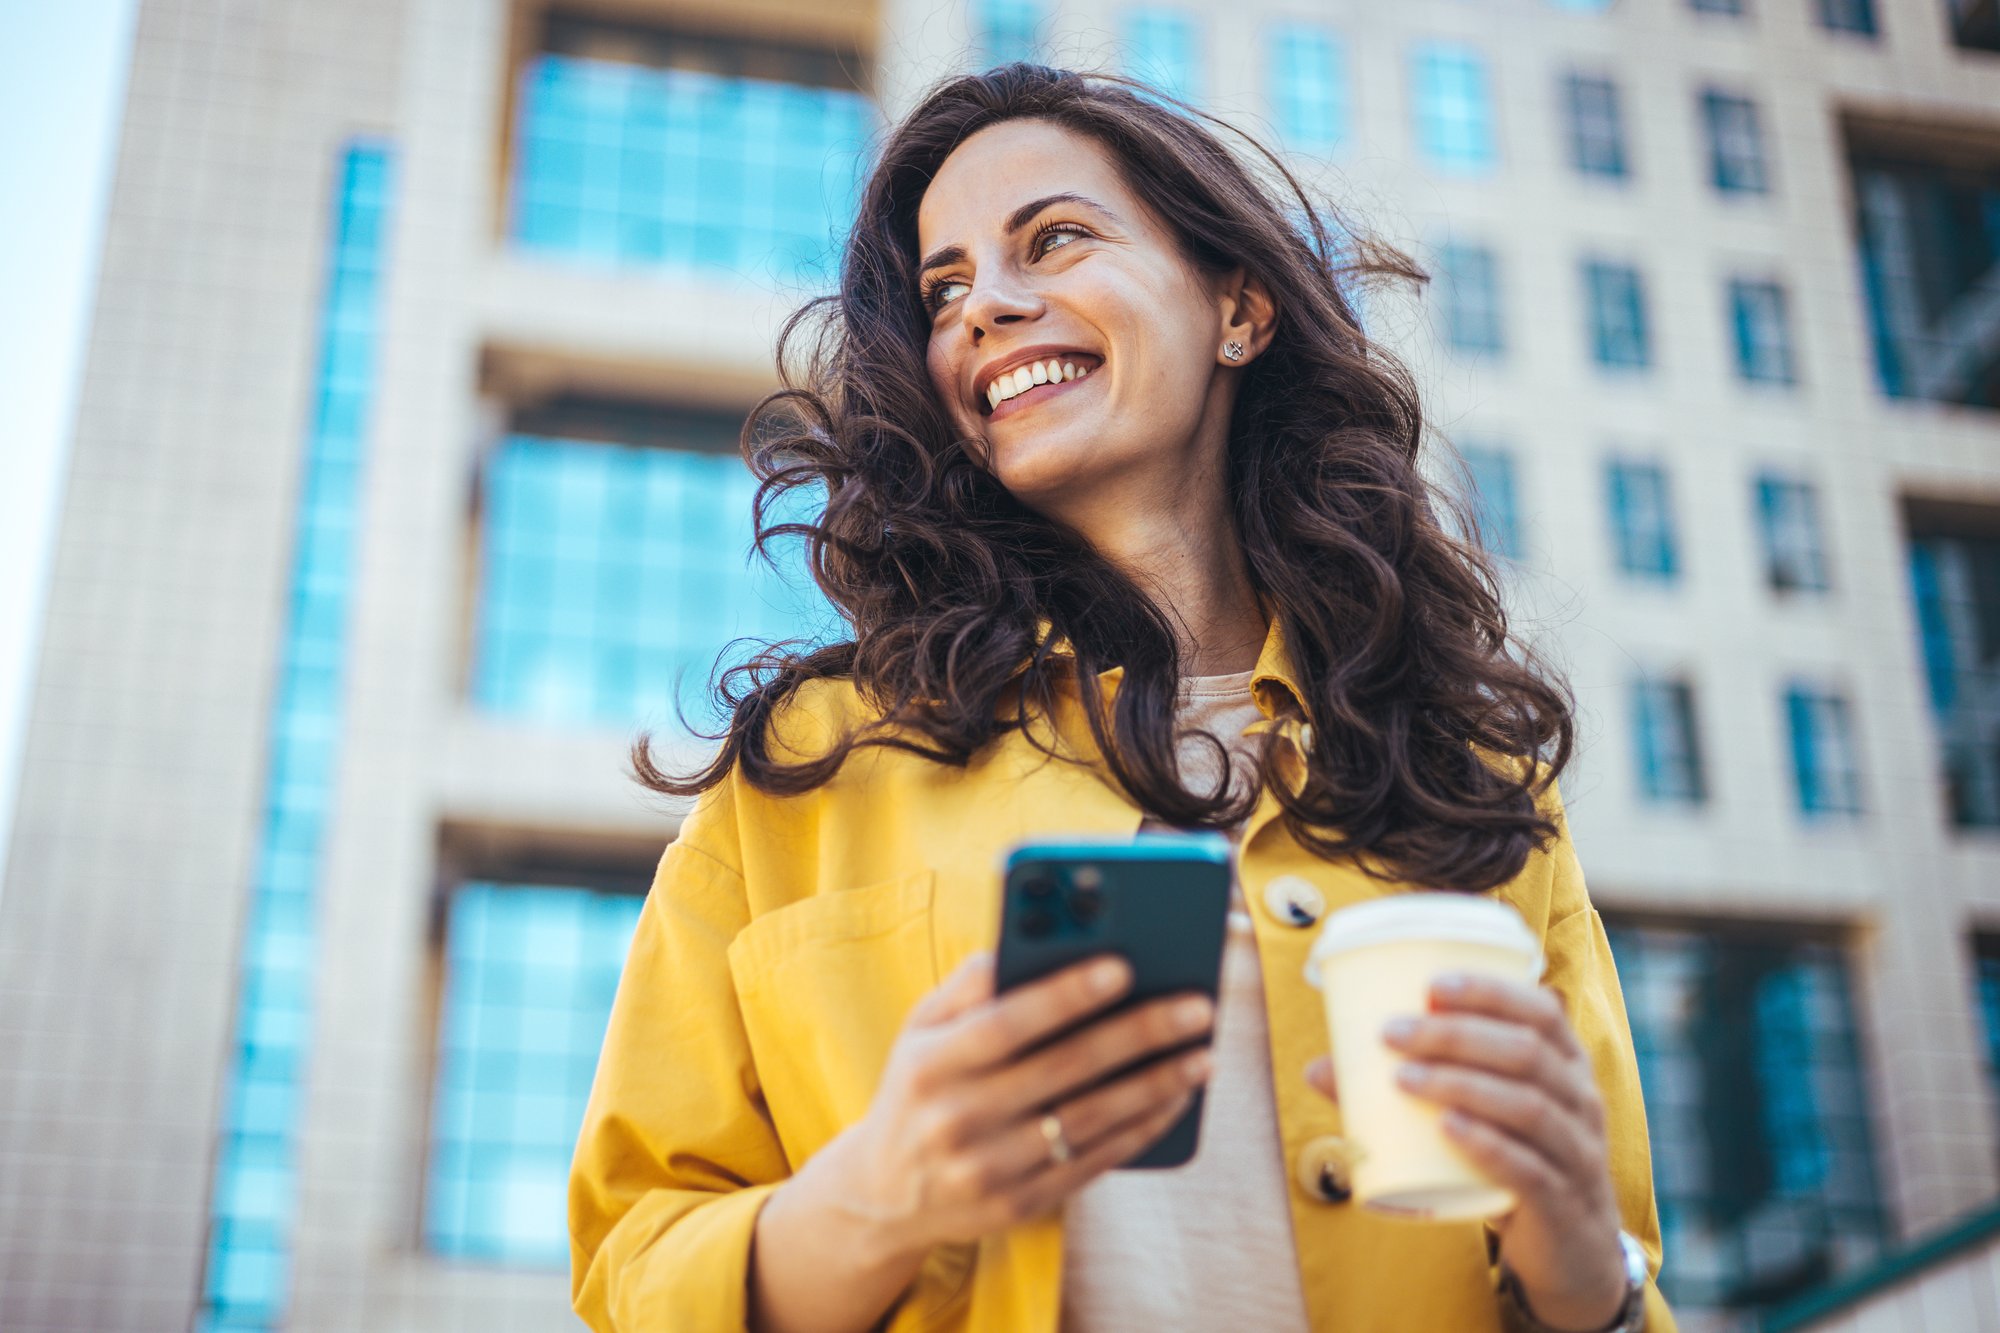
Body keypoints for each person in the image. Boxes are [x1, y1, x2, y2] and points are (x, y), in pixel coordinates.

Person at [568, 63, 1677, 1333]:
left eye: (1053, 238)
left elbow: (1622, 1273)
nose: (982, 303)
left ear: (1237, 307)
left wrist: (1588, 1274)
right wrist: (879, 1194)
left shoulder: (1467, 774)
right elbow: (630, 1267)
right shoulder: (808, 770)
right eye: (944, 288)